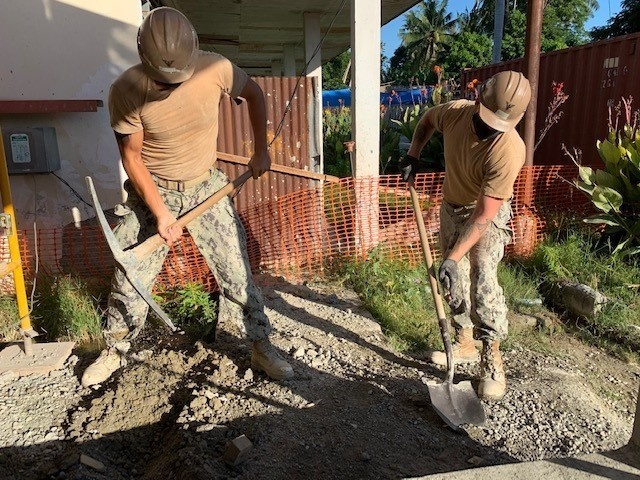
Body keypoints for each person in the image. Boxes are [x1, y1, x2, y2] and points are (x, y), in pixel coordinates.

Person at [81, 7, 293, 387]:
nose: (171, 87)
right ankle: (115, 350)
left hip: (206, 186)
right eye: (163, 82)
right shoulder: (127, 91)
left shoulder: (216, 69)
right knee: (129, 276)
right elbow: (132, 157)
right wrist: (160, 213)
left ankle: (261, 348)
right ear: (145, 61)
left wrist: (261, 150)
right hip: (154, 189)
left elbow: (255, 94)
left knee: (237, 271)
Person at [400, 71, 531, 401]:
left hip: (485, 214)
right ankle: (464, 342)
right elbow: (427, 122)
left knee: (482, 278)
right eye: (487, 119)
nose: (490, 129)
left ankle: (492, 358)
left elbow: (484, 215)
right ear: (478, 103)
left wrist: (454, 256)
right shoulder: (455, 112)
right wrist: (413, 155)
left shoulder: (509, 150)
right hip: (451, 206)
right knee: (451, 281)